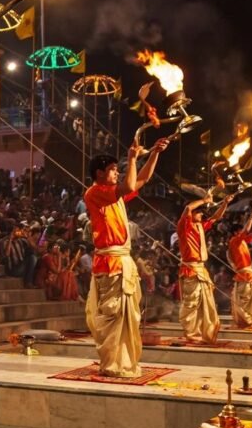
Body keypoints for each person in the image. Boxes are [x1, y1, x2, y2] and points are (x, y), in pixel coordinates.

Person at [84, 141, 168, 378]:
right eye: (112, 169)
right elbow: (130, 182)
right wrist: (131, 158)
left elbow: (140, 181)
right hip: (110, 263)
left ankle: (123, 362)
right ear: (100, 173)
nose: (116, 172)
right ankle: (111, 364)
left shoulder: (114, 195)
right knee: (114, 316)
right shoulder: (95, 192)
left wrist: (154, 155)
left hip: (121, 261)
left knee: (128, 315)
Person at [177, 193, 229, 344]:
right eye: (198, 211)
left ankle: (201, 331)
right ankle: (191, 332)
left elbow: (215, 217)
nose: (201, 214)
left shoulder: (199, 226)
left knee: (204, 303)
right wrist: (204, 200)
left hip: (201, 269)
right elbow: (187, 207)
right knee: (191, 303)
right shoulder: (184, 226)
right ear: (192, 214)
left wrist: (224, 203)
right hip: (190, 269)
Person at [227, 211, 252, 329]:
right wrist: (251, 218)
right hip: (243, 273)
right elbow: (246, 231)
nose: (242, 232)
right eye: (240, 231)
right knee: (245, 298)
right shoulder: (234, 241)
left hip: (249, 272)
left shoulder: (242, 241)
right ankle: (244, 321)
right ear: (235, 232)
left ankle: (248, 320)